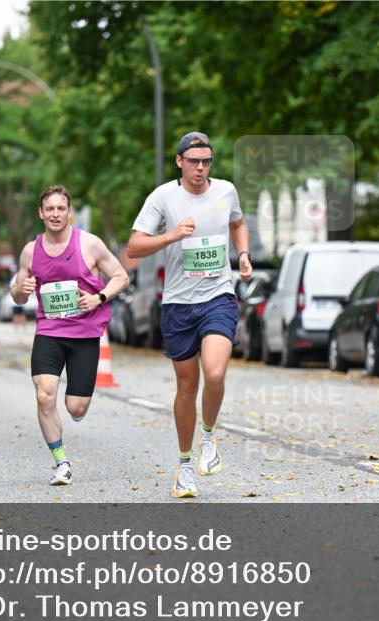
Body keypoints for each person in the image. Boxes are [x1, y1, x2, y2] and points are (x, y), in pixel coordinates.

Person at [127, 132, 252, 498]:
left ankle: (208, 439)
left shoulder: (226, 191)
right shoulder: (163, 197)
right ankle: (184, 466)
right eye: (194, 161)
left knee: (215, 371)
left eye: (206, 161)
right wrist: (171, 236)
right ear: (179, 161)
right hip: (179, 304)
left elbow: (238, 223)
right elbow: (134, 246)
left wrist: (242, 255)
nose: (200, 168)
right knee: (187, 387)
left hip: (218, 296)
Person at [12, 185, 129, 486]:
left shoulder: (89, 244)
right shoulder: (30, 250)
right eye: (49, 208)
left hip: (85, 333)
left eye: (60, 208)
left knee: (76, 408)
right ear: (41, 213)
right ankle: (61, 462)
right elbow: (18, 295)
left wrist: (98, 298)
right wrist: (20, 290)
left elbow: (121, 276)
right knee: (44, 394)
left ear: (69, 212)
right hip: (49, 331)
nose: (55, 214)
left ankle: (75, 410)